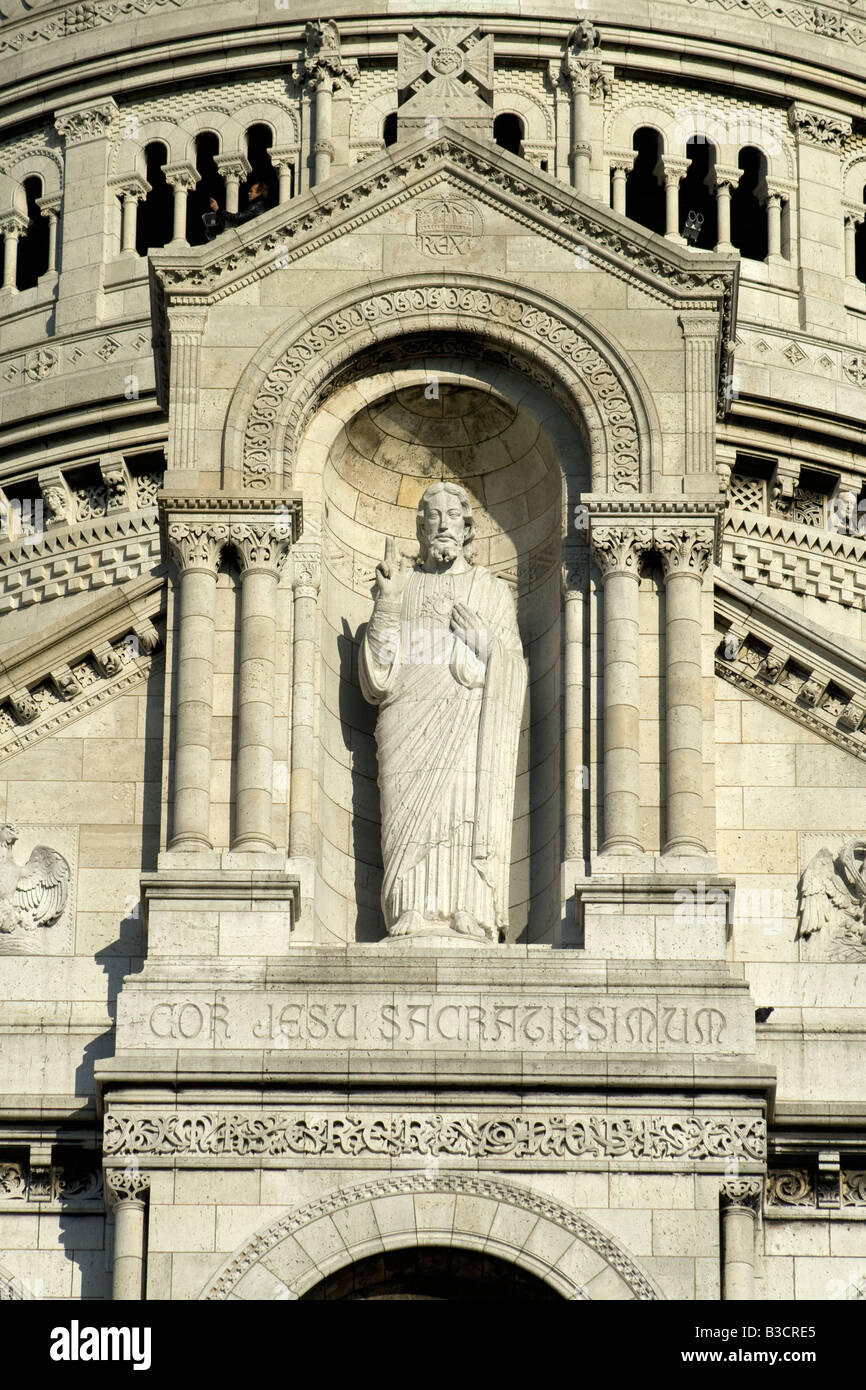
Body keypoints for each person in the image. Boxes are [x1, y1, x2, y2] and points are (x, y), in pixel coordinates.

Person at [359, 482, 527, 943]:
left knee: (463, 809)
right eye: (432, 516)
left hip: (467, 723)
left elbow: (514, 668)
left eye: (452, 516)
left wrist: (486, 646)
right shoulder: (402, 585)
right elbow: (378, 673)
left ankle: (468, 910)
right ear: (420, 528)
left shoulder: (490, 591)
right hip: (406, 722)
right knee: (406, 812)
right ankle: (409, 907)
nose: (443, 524)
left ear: (468, 528)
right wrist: (387, 602)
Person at [203, 179, 271, 239]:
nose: (248, 193)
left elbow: (236, 217)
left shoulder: (257, 206)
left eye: (251, 191)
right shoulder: (264, 206)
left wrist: (217, 210)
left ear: (258, 193)